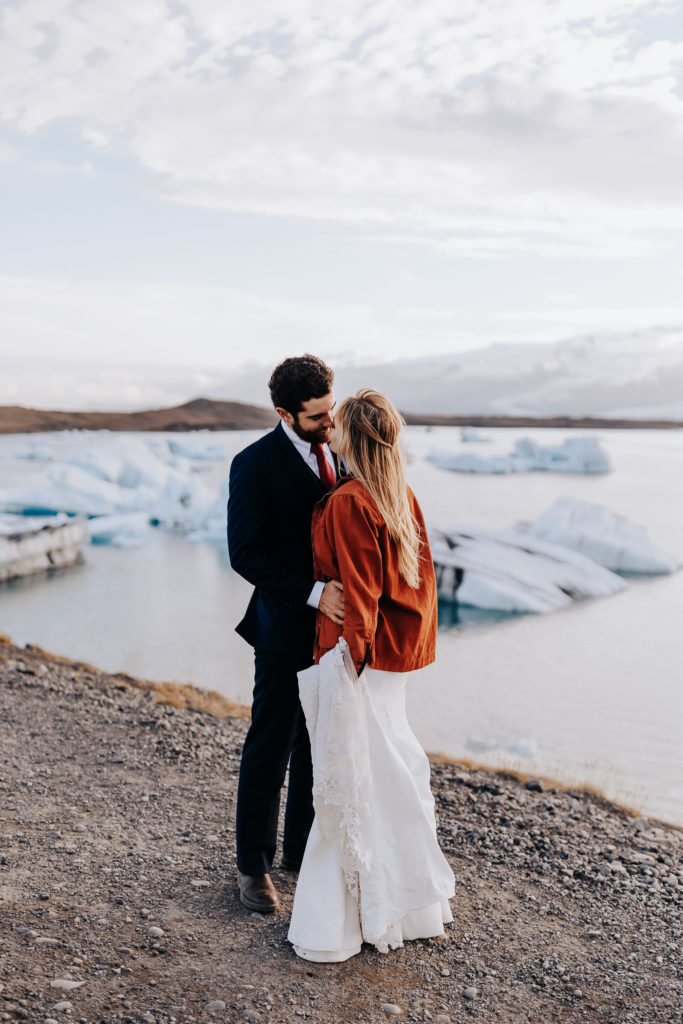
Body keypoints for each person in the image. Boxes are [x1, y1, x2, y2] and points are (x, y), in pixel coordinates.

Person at [288, 388, 455, 961]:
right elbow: (418, 587)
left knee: (352, 786)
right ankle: (407, 910)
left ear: (352, 437)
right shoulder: (398, 494)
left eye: (338, 423)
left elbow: (360, 593)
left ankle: (339, 923)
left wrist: (348, 664)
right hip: (393, 663)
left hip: (359, 661)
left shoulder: (349, 501)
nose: (327, 427)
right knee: (387, 775)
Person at [227, 354, 344, 913]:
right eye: (318, 417)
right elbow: (244, 554)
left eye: (331, 411)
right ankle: (252, 866)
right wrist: (315, 593)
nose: (329, 423)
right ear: (284, 413)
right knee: (270, 746)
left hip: (336, 635)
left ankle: (300, 851)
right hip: (281, 628)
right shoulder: (253, 464)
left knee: (317, 744)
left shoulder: (342, 454)